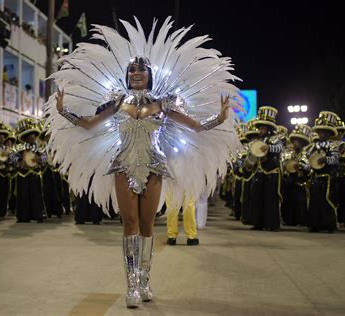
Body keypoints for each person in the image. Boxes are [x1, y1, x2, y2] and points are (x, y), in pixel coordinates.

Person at [47, 17, 242, 308]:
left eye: (141, 69)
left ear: (149, 74)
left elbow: (196, 128)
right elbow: (88, 125)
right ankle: (132, 286)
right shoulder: (115, 102)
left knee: (149, 225)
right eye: (132, 70)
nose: (137, 73)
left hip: (153, 167)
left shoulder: (164, 103)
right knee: (130, 224)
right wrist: (63, 111)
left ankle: (146, 280)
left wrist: (221, 118)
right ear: (127, 75)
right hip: (123, 165)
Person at [302, 111, 340, 233]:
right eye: (320, 131)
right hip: (316, 177)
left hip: (328, 177)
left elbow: (335, 159)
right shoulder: (313, 146)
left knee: (327, 201)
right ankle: (314, 225)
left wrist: (325, 159)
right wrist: (306, 166)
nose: (322, 134)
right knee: (314, 201)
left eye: (324, 132)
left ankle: (329, 225)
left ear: (329, 133)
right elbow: (307, 159)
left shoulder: (333, 145)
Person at [249, 107, 284, 231]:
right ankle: (258, 223)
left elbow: (280, 149)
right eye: (260, 127)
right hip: (259, 172)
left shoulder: (276, 139)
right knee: (258, 197)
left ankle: (272, 224)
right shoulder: (258, 140)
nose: (261, 130)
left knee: (271, 199)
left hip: (271, 173)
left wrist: (268, 148)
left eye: (263, 127)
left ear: (269, 128)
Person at [9, 118, 46, 223]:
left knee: (36, 195)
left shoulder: (40, 147)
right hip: (22, 174)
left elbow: (45, 158)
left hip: (35, 174)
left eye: (33, 135)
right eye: (30, 135)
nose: (32, 137)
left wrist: (39, 159)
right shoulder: (19, 147)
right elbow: (11, 157)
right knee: (23, 195)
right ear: (25, 137)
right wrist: (20, 160)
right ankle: (23, 216)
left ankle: (37, 214)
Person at [280, 124, 312, 226]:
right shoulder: (288, 153)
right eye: (294, 140)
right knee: (288, 201)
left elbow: (309, 167)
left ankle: (301, 220)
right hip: (289, 182)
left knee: (300, 202)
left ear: (303, 142)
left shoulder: (306, 154)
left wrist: (301, 166)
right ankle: (288, 219)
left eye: (297, 141)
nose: (294, 143)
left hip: (301, 182)